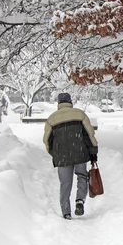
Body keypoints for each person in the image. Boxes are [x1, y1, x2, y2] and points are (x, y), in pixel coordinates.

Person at [43, 92, 98, 220]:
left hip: (62, 156)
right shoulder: (80, 114)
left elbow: (47, 141)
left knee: (65, 183)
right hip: (80, 153)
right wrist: (93, 152)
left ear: (58, 103)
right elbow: (89, 135)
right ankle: (80, 200)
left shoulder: (51, 119)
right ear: (70, 101)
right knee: (82, 176)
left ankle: (66, 212)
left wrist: (55, 153)